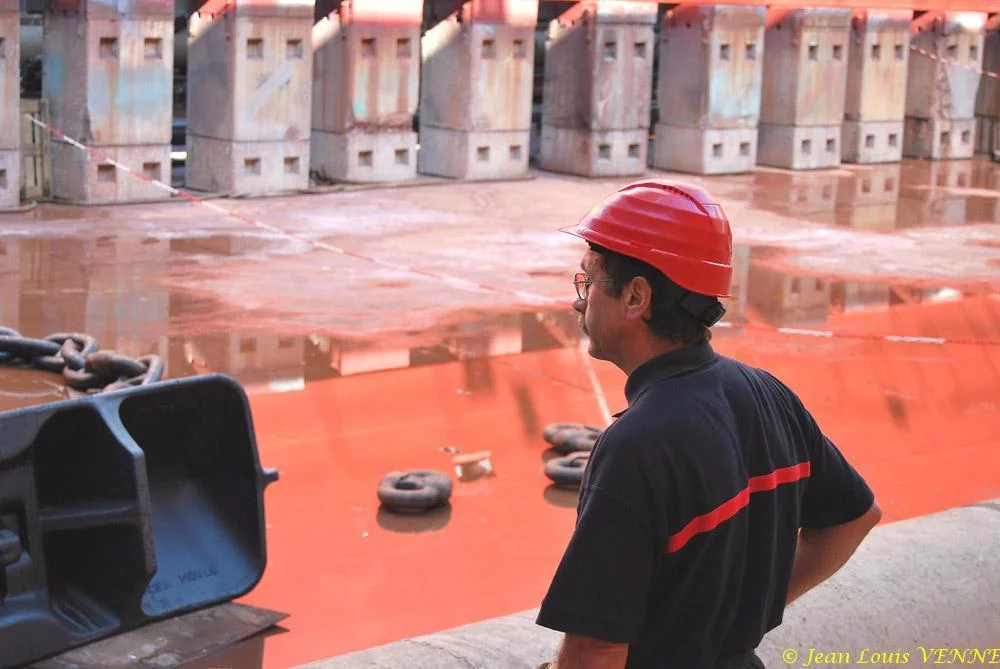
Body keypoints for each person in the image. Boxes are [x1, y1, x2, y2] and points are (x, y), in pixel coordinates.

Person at [534, 180, 881, 669]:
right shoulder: (767, 393)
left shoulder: (637, 445)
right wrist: (741, 616)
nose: (578, 302)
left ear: (636, 297)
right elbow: (854, 518)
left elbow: (596, 649)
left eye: (588, 283)